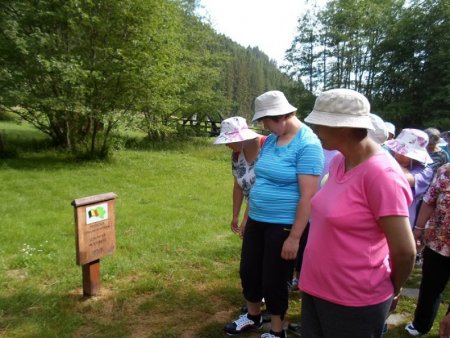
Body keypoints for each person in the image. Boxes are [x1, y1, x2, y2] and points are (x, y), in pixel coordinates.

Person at [299, 88, 416, 337]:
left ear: (342, 127)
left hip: (354, 299)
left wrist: (392, 288)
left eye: (320, 123)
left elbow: (405, 251)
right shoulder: (339, 161)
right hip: (316, 286)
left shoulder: (382, 175)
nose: (316, 130)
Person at [224, 90, 324, 338]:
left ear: (280, 116)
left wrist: (294, 237)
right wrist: (247, 216)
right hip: (258, 218)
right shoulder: (270, 141)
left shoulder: (307, 144)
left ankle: (277, 330)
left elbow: (308, 196)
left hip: (284, 225)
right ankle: (253, 316)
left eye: (265, 121)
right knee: (249, 270)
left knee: (274, 278)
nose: (263, 126)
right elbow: (258, 183)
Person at [405, 163, 450, 337]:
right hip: (437, 243)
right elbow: (429, 201)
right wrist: (418, 228)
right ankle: (421, 324)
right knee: (430, 287)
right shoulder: (445, 170)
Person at [214, 116, 266, 237]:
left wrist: (246, 219)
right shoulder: (237, 154)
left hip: (269, 211)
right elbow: (238, 186)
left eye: (228, 140)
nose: (226, 145)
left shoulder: (267, 146)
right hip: (254, 213)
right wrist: (236, 216)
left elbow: (259, 189)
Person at [385, 128, 434, 229]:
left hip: (402, 220)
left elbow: (406, 179)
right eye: (397, 150)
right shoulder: (387, 160)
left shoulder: (425, 171)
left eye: (405, 153)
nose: (399, 154)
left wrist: (385, 159)